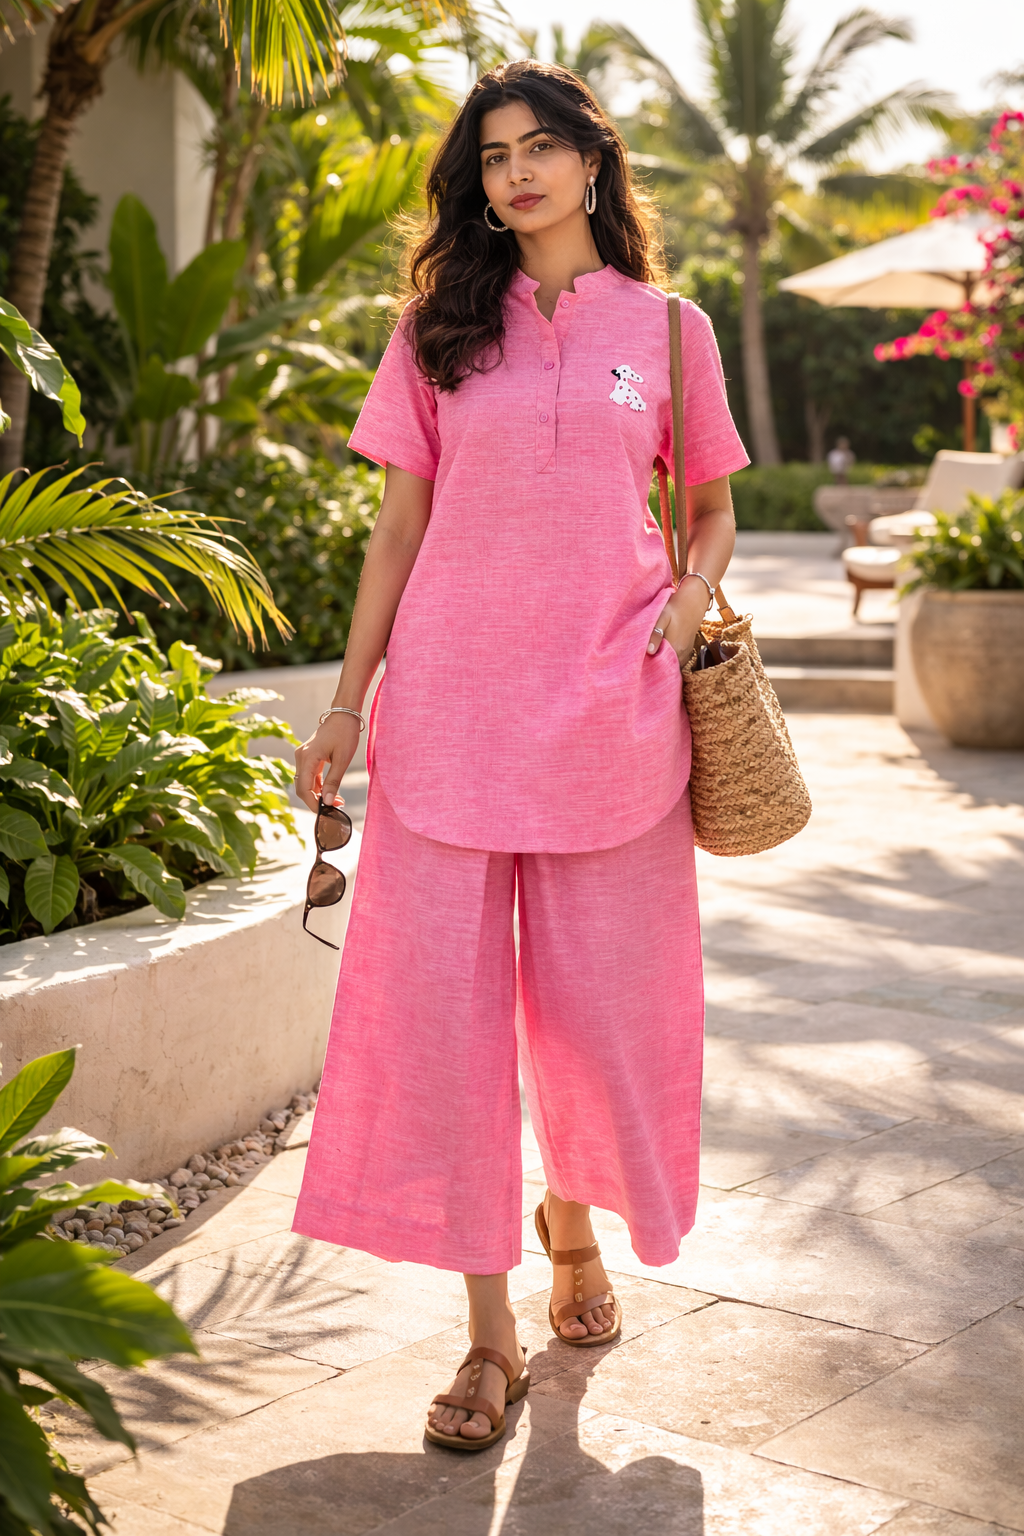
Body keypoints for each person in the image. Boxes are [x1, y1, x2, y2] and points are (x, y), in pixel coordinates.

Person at [292, 59, 749, 1451]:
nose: (516, 174)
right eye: (492, 155)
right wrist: (345, 703)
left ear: (594, 164)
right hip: (446, 719)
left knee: (600, 1020)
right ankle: (490, 1340)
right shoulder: (438, 327)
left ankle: (576, 1238)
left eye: (540, 147)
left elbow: (712, 511)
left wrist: (679, 610)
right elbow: (395, 532)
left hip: (611, 720)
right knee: (444, 1026)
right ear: (474, 183)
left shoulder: (668, 331)